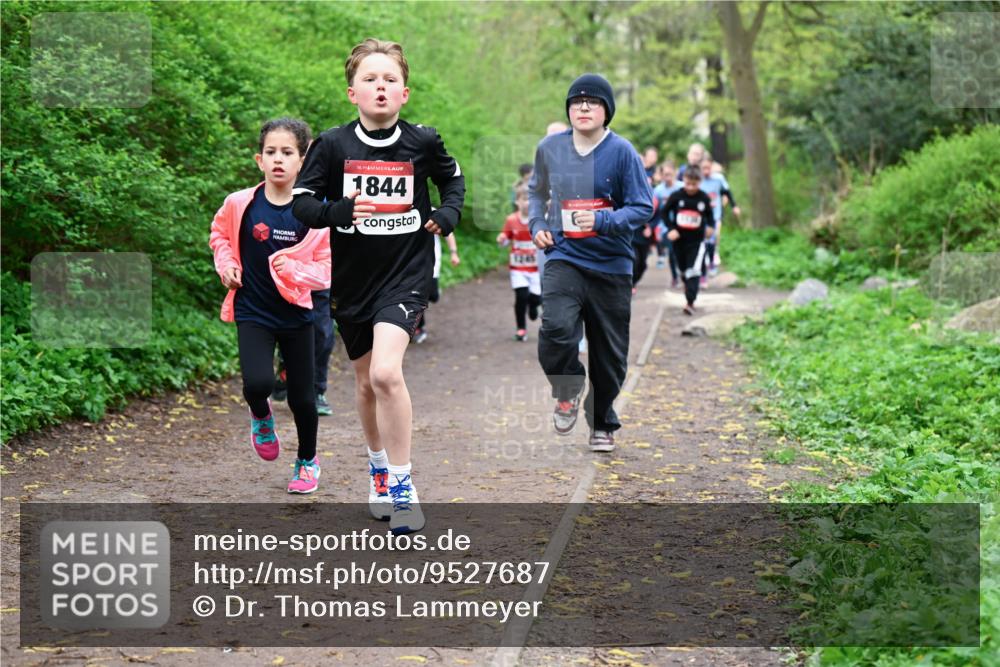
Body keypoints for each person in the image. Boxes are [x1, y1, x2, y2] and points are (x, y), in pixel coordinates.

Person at [290, 38, 465, 534]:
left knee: (387, 374)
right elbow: (302, 202)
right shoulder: (332, 145)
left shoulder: (423, 142)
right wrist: (337, 212)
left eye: (389, 79)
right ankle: (378, 468)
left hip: (405, 276)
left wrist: (448, 213)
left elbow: (454, 182)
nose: (380, 87)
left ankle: (405, 487)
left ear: (404, 93)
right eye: (370, 79)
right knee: (365, 383)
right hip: (353, 281)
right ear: (353, 93)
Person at [529, 73, 653, 453]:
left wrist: (603, 221)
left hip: (611, 264)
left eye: (593, 102)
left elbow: (643, 206)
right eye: (576, 101)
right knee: (556, 330)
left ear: (606, 111)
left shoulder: (622, 152)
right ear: (568, 110)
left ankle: (602, 421)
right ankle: (566, 390)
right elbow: (537, 191)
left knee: (609, 355)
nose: (583, 107)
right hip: (564, 256)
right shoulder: (550, 148)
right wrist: (536, 223)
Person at [208, 118, 331, 494]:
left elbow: (326, 270)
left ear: (303, 160)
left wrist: (294, 269)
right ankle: (261, 417)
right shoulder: (239, 203)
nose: (279, 159)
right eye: (271, 152)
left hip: (297, 314)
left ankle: (307, 462)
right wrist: (226, 265)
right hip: (253, 310)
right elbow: (220, 237)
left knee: (302, 398)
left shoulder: (317, 212)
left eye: (288, 152)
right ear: (259, 160)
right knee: (257, 383)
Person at [272, 294, 335, 416]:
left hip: (321, 280)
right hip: (289, 279)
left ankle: (317, 391)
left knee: (323, 334)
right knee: (289, 324)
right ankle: (285, 362)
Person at [661, 168, 714, 315]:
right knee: (683, 271)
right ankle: (688, 290)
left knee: (693, 271)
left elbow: (710, 216)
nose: (690, 188)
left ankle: (690, 302)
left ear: (700, 183)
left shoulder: (704, 198)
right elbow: (664, 212)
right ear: (683, 181)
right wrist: (671, 228)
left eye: (694, 184)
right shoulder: (677, 196)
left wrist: (710, 227)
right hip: (679, 241)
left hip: (697, 242)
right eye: (688, 184)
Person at [497, 186, 540, 341]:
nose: (527, 203)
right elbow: (505, 237)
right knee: (521, 296)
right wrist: (502, 239)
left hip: (536, 269)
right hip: (518, 268)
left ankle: (534, 305)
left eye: (530, 199)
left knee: (535, 298)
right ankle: (521, 328)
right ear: (517, 202)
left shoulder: (539, 219)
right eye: (523, 199)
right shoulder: (511, 220)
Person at [412, 231, 460, 344]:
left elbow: (448, 232)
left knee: (432, 295)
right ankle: (418, 329)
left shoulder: (433, 214)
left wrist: (454, 253)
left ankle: (435, 292)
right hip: (413, 263)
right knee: (416, 296)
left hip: (432, 261)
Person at [652, 160, 680, 281]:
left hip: (682, 225)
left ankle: (684, 275)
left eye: (670, 174)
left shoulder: (682, 187)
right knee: (673, 251)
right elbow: (653, 209)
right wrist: (652, 226)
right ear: (662, 175)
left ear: (675, 172)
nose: (668, 177)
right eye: (665, 174)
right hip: (666, 226)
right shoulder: (658, 190)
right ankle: (675, 276)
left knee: (682, 252)